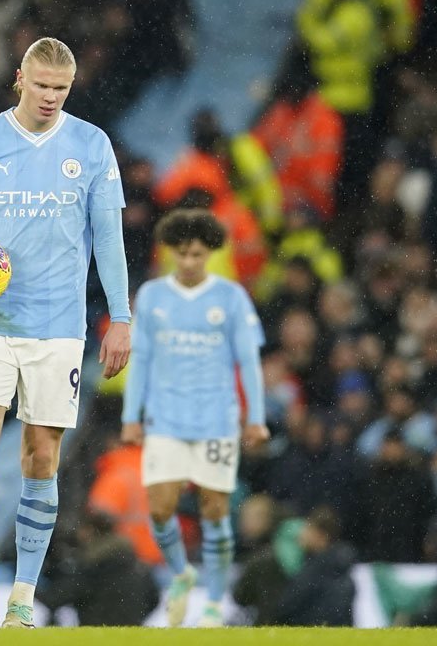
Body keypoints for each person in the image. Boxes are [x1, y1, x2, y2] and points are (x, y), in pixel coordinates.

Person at [0, 36, 131, 629]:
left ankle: (22, 597)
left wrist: (121, 317)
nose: (50, 98)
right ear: (19, 78)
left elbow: (109, 238)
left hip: (59, 328)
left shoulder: (91, 146)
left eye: (61, 90)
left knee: (42, 459)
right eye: (41, 86)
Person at [121, 208, 269, 627]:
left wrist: (254, 418)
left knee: (215, 510)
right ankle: (182, 573)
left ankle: (214, 600)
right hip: (165, 419)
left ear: (210, 253)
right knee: (161, 510)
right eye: (181, 254)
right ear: (170, 253)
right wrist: (132, 416)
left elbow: (249, 361)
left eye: (197, 254)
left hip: (216, 419)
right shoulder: (151, 296)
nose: (188, 262)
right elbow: (142, 360)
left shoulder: (230, 297)